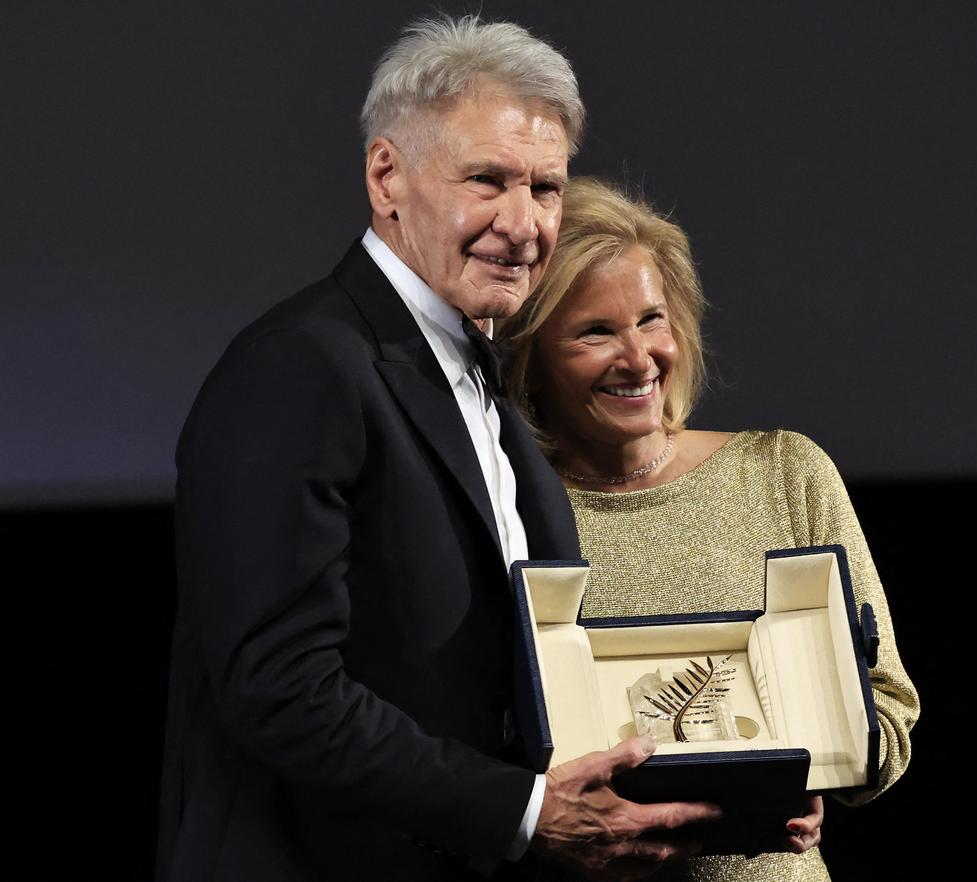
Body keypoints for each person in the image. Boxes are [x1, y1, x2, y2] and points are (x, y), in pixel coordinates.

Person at [156, 18, 719, 882]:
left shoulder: (471, 366)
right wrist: (526, 813)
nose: (524, 224)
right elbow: (278, 688)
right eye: (486, 180)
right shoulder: (300, 367)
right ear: (388, 177)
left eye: (545, 187)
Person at [497, 177, 921, 881]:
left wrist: (822, 761)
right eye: (596, 331)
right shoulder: (505, 515)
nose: (638, 358)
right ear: (531, 359)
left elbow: (888, 705)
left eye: (652, 319)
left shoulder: (785, 472)